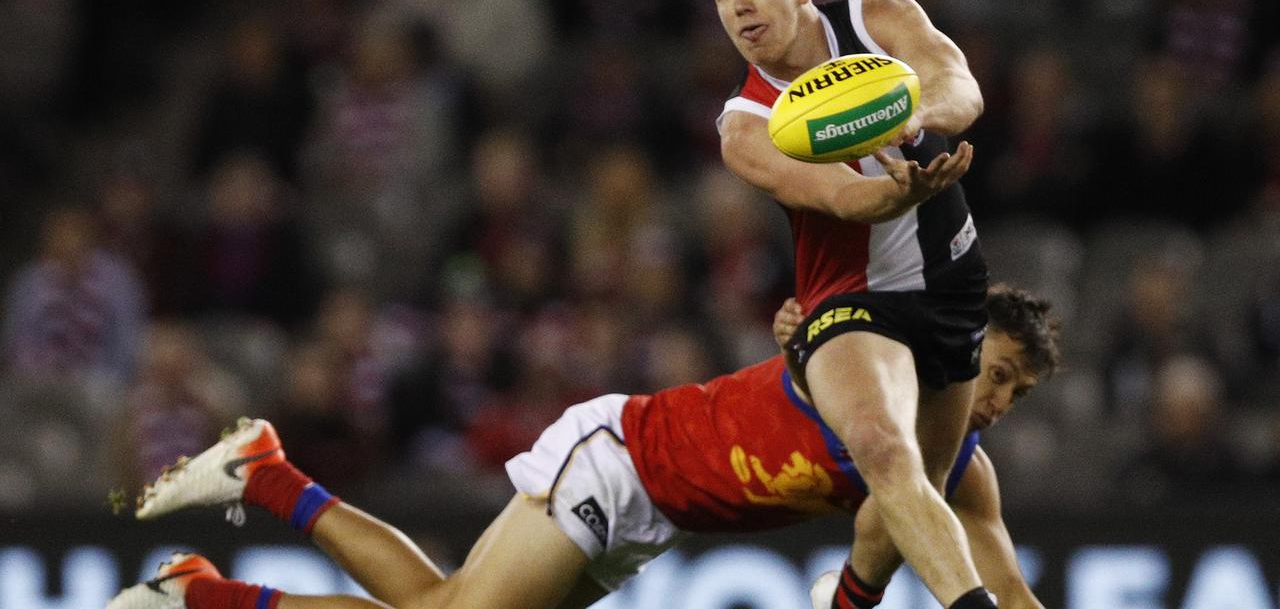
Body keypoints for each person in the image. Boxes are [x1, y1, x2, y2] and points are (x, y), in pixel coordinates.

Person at [106, 285, 1058, 609]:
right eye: (1000, 370)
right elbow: (831, 319)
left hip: (656, 521)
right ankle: (201, 588)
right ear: (960, 343)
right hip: (622, 458)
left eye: (1019, 389)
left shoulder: (958, 478)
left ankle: (258, 479)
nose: (1002, 399)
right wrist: (807, 330)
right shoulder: (871, 367)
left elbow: (1011, 594)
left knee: (442, 607)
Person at [700, 0, 990, 609]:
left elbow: (964, 90)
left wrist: (911, 114)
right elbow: (836, 197)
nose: (738, 4)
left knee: (921, 485)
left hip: (952, 281)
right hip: (848, 301)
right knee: (884, 452)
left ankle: (848, 601)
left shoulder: (881, 18)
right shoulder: (745, 126)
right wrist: (891, 195)